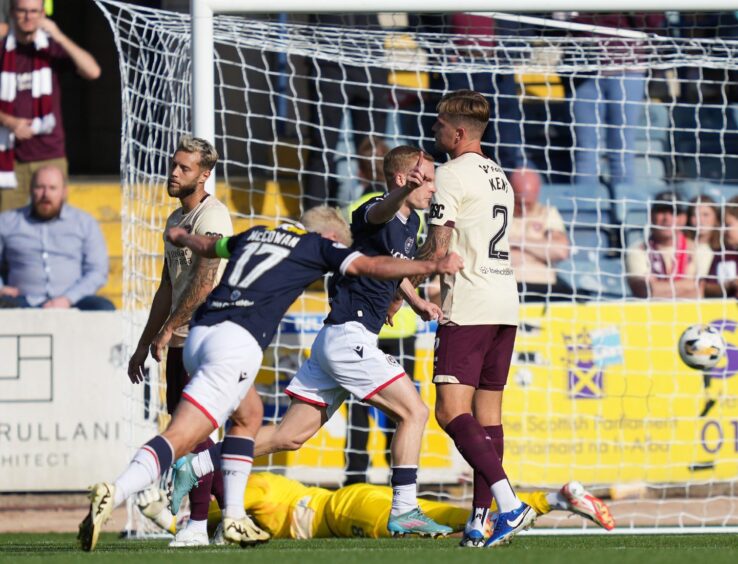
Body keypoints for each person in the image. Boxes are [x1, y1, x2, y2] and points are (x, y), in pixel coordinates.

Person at [77, 206, 463, 552]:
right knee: (182, 435)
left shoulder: (255, 232)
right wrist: (431, 267)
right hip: (238, 341)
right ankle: (121, 489)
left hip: (199, 334)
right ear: (329, 237)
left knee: (262, 422)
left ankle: (227, 509)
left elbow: (209, 246)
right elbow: (373, 266)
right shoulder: (315, 246)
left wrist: (179, 237)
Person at [214, 146, 454, 538]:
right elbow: (377, 215)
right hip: (349, 337)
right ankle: (405, 508)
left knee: (288, 436)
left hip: (336, 339)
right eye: (424, 179)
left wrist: (416, 302)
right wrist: (396, 196)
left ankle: (199, 464)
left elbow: (394, 269)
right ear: (401, 179)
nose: (431, 188)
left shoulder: (413, 224)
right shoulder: (375, 208)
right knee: (415, 412)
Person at [410, 89, 531, 548]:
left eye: (440, 124)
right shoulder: (499, 174)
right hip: (505, 300)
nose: (434, 129)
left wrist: (405, 276)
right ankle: (480, 522)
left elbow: (440, 251)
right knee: (488, 416)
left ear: (458, 132)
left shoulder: (451, 174)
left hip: (471, 305)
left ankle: (509, 503)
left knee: (449, 411)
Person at [125, 135, 233, 548]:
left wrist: (170, 330)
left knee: (191, 434)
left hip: (205, 339)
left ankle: (196, 526)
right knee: (189, 434)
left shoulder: (213, 217)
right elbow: (167, 288)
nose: (174, 172)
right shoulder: (175, 220)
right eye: (173, 164)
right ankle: (233, 520)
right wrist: (145, 340)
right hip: (178, 342)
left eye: (184, 168)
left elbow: (205, 283)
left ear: (204, 175)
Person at [141, 466, 614, 541]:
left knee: (452, 527)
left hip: (344, 513)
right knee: (455, 521)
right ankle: (554, 497)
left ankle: (552, 499)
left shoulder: (254, 492)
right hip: (355, 501)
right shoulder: (249, 490)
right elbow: (199, 527)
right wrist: (168, 516)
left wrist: (165, 515)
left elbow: (207, 529)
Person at [344, 137, 420, 486]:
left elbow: (405, 262)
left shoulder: (413, 216)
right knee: (394, 412)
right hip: (372, 328)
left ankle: (359, 479)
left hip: (396, 325)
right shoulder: (367, 207)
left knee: (375, 413)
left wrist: (411, 299)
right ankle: (373, 482)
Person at [0, 0, 100, 211]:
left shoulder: (51, 48)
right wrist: (10, 122)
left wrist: (59, 35)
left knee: (53, 224)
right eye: (23, 11)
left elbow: (92, 71)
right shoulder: (2, 49)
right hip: (8, 159)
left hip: (49, 154)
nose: (28, 17)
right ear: (12, 12)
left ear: (43, 14)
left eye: (34, 12)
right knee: (6, 230)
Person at [301, 15, 388, 209]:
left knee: (374, 153)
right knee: (323, 149)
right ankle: (315, 220)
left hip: (370, 61)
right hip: (328, 62)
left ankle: (379, 215)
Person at [567, 13, 664, 186]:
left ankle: (623, 209)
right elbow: (558, 22)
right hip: (583, 68)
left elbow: (653, 20)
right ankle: (583, 209)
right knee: (585, 150)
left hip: (627, 67)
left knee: (622, 149)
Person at [0, 164, 113, 310]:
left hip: (74, 301)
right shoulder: (7, 222)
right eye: (40, 187)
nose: (45, 194)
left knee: (104, 308)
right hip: (22, 301)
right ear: (30, 190)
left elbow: (98, 271)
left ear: (64, 192)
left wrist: (67, 299)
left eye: (52, 188)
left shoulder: (84, 223)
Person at [626, 191, 713, 299]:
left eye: (674, 212)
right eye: (661, 211)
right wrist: (689, 285)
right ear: (651, 216)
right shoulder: (637, 250)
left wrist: (658, 287)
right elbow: (643, 291)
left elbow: (703, 290)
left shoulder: (701, 250)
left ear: (683, 218)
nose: (667, 218)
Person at [508, 167, 572, 301]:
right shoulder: (498, 215)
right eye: (520, 204)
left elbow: (561, 251)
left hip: (545, 287)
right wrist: (540, 253)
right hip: (509, 286)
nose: (525, 209)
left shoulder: (547, 213)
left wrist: (515, 241)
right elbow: (494, 258)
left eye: (529, 204)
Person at [702, 195, 738, 298]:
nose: (723, 230)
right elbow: (706, 287)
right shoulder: (722, 254)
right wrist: (727, 286)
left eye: (727, 225)